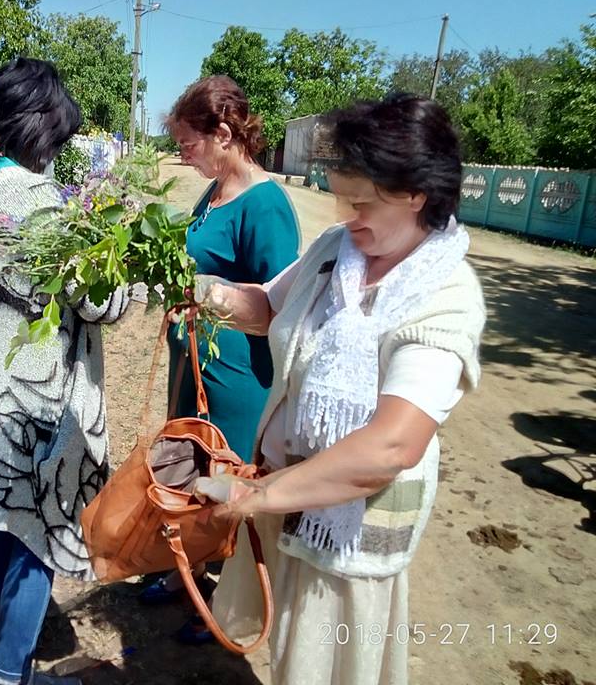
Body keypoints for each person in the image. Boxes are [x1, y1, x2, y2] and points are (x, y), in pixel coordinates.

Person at [191, 94, 486, 685]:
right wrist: (194, 289)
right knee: (289, 647)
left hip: (349, 532)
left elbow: (390, 449)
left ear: (417, 195)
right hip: (288, 503)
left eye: (362, 202)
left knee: (320, 663)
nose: (345, 215)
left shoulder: (444, 296)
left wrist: (257, 497)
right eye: (340, 198)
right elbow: (267, 307)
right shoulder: (338, 250)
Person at [0, 58, 128, 685]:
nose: (56, 152)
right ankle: (11, 672)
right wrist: (123, 270)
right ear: (35, 127)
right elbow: (98, 302)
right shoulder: (46, 205)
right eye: (56, 137)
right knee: (39, 527)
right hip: (39, 396)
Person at [139, 75, 300, 610]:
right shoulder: (214, 192)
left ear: (225, 133)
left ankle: (227, 599)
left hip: (234, 376)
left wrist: (211, 296)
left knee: (226, 478)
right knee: (187, 466)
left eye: (189, 144)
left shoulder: (266, 205)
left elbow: (279, 303)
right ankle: (185, 570)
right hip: (192, 362)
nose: (183, 157)